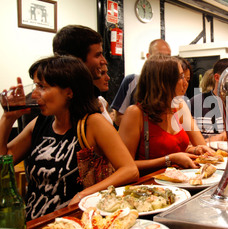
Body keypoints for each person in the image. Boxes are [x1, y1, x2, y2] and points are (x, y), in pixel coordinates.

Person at [0, 56, 139, 220]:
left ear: (69, 92)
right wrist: (8, 118)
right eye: (36, 86)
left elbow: (130, 170)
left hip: (74, 222)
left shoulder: (92, 123)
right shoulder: (41, 122)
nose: (35, 94)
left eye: (42, 87)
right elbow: (4, 160)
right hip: (35, 222)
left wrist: (83, 195)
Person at [118, 55, 213, 176]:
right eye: (180, 77)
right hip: (150, 187)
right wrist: (169, 160)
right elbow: (124, 166)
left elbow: (177, 148)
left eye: (186, 78)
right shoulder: (135, 113)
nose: (185, 83)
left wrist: (195, 149)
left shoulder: (179, 106)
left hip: (180, 182)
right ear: (163, 82)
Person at [111, 39, 171, 126]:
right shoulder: (132, 81)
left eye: (168, 57)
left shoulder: (174, 84)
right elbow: (118, 118)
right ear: (148, 56)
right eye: (159, 56)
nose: (164, 61)